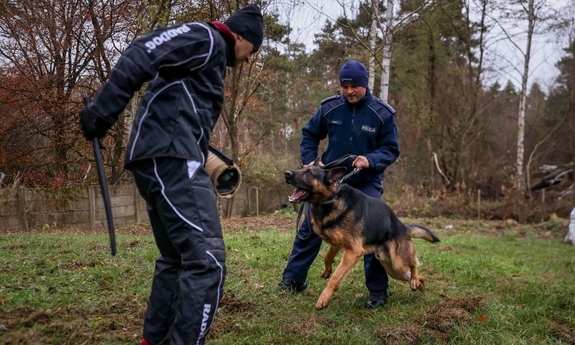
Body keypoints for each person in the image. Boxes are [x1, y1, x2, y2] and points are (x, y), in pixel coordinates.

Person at [78, 5, 264, 345]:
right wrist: (102, 111)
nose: (250, 60)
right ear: (239, 37)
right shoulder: (207, 37)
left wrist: (214, 160)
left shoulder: (208, 58)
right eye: (253, 50)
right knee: (208, 261)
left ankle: (155, 340)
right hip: (171, 159)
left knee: (177, 259)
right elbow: (142, 50)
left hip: (163, 157)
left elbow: (181, 115)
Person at [277, 60, 400, 309]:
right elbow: (310, 134)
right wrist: (310, 161)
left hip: (366, 183)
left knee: (372, 234)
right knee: (309, 230)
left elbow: (391, 148)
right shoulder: (330, 108)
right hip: (330, 182)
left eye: (354, 86)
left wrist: (371, 159)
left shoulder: (382, 113)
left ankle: (377, 292)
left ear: (365, 85)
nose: (349, 91)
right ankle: (293, 280)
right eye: (345, 86)